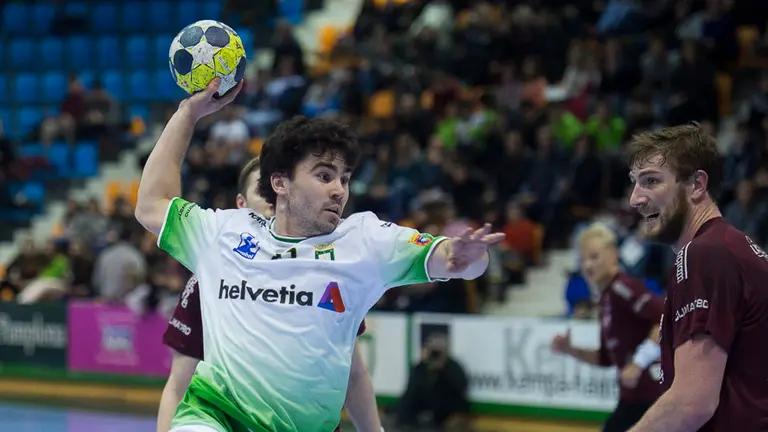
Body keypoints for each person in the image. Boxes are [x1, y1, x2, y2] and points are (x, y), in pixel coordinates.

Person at [134, 78, 504, 432]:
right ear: (280, 182)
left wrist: (464, 257)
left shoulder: (366, 241)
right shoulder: (226, 232)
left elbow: (458, 261)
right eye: (325, 176)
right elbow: (150, 205)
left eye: (345, 178)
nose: (339, 190)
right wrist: (187, 114)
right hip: (215, 416)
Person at [157, 157, 382, 432]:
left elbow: (354, 376)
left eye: (282, 189)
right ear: (241, 204)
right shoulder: (209, 279)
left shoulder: (330, 273)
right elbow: (179, 385)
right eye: (264, 190)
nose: (275, 199)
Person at [626, 123, 768, 431]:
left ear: (696, 185)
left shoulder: (705, 254)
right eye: (634, 183)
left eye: (651, 181)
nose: (635, 199)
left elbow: (691, 404)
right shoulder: (730, 248)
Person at [551, 222, 663, 432]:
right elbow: (605, 358)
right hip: (632, 398)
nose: (587, 265)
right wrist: (570, 350)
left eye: (594, 257)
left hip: (654, 396)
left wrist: (638, 363)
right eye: (583, 259)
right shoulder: (606, 299)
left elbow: (666, 319)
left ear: (613, 255)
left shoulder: (623, 288)